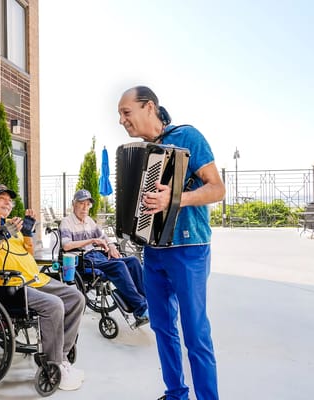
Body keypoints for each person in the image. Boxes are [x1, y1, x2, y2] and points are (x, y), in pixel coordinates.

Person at [118, 86, 225, 400]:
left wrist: (176, 199)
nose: (122, 120)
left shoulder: (188, 137)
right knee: (162, 329)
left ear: (149, 107)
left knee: (195, 333)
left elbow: (217, 190)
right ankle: (176, 393)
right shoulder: (140, 151)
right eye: (120, 115)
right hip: (154, 252)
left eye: (126, 112)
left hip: (189, 250)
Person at [0, 183, 86, 391]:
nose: (8, 202)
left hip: (34, 279)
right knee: (54, 305)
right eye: (2, 198)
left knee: (76, 297)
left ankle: (60, 357)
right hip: (5, 285)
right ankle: (53, 364)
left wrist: (27, 233)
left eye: (10, 200)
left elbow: (26, 255)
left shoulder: (11, 224)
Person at [59, 188, 149, 327]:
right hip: (83, 260)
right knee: (118, 266)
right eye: (81, 203)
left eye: (87, 204)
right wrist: (91, 241)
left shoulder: (89, 221)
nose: (85, 207)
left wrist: (111, 246)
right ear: (74, 204)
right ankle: (140, 308)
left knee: (133, 261)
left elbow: (104, 237)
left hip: (97, 256)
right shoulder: (67, 222)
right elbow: (66, 245)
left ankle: (146, 302)